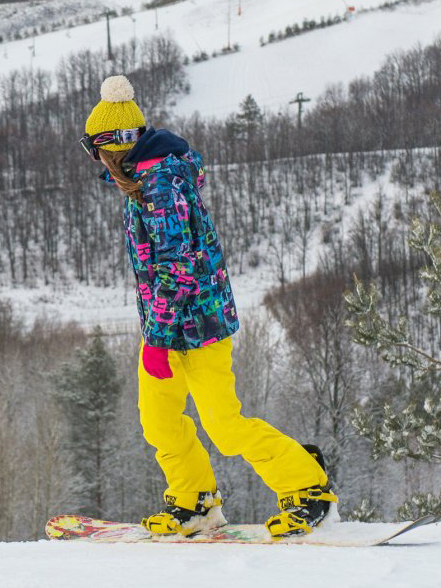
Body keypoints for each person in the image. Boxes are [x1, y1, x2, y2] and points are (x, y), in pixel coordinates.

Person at [81, 75, 336, 538]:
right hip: (163, 327)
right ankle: (195, 500)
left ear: (114, 146)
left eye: (92, 147)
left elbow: (177, 267)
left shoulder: (161, 187)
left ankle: (307, 486)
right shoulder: (141, 182)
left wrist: (157, 340)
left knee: (224, 426)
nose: (93, 158)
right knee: (159, 422)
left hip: (199, 327)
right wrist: (157, 335)